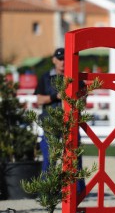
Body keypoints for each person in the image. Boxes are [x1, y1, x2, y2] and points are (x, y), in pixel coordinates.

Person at [34, 47, 86, 194]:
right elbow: (38, 100)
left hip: (71, 122)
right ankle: (47, 190)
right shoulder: (45, 77)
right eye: (60, 59)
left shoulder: (76, 77)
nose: (63, 62)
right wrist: (55, 97)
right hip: (51, 123)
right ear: (54, 60)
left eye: (65, 59)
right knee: (50, 157)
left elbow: (83, 98)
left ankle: (78, 191)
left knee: (75, 156)